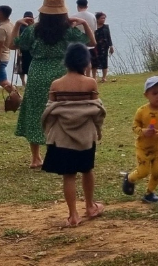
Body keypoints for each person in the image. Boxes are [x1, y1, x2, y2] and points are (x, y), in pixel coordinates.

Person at [13, 0, 96, 169]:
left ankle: (36, 158)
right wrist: (85, 24)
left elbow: (13, 45)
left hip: (37, 74)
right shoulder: (68, 31)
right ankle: (59, 150)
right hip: (61, 73)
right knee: (60, 112)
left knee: (36, 112)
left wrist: (18, 24)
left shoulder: (33, 30)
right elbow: (92, 42)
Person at [41, 44, 105, 227]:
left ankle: (73, 215)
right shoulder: (90, 83)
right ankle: (90, 207)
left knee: (68, 176)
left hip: (62, 137)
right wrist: (97, 130)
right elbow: (97, 110)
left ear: (66, 61)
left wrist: (50, 133)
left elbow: (50, 112)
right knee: (87, 170)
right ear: (85, 62)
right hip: (85, 136)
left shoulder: (56, 84)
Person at [121, 76, 158, 203]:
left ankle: (149, 193)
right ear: (146, 95)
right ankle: (129, 178)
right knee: (143, 172)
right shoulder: (141, 111)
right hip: (143, 148)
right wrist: (143, 132)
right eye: (155, 93)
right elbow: (135, 126)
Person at [71, 0, 98, 77]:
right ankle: (88, 76)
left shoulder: (74, 16)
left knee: (77, 61)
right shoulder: (92, 16)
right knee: (88, 61)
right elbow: (94, 30)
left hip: (76, 42)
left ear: (77, 6)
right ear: (87, 6)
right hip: (90, 41)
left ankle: (79, 75)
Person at [93, 12, 113, 83]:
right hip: (95, 47)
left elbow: (109, 37)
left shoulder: (106, 27)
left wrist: (111, 46)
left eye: (104, 18)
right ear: (97, 19)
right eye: (102, 18)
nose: (103, 20)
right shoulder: (93, 27)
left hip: (104, 47)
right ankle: (94, 77)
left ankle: (104, 77)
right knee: (94, 62)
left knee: (105, 62)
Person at [16, 11, 34, 87]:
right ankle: (24, 82)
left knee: (25, 67)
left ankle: (26, 82)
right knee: (22, 67)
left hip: (28, 51)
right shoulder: (22, 27)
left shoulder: (33, 27)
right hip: (24, 50)